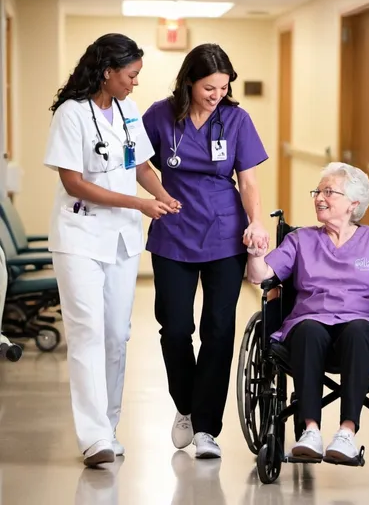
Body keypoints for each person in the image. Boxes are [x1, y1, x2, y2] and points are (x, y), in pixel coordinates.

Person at [44, 33, 181, 467]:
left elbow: (140, 166)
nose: (135, 83)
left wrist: (168, 198)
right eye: (131, 75)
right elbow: (74, 182)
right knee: (87, 332)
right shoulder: (71, 114)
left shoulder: (127, 110)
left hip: (120, 238)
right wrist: (141, 204)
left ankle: (110, 425)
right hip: (80, 237)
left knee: (117, 335)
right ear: (107, 72)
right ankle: (93, 437)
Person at [247, 162, 369, 463]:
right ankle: (311, 432)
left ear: (353, 204)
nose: (319, 197)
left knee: (357, 331)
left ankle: (346, 433)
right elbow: (261, 276)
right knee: (308, 330)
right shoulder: (300, 240)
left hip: (365, 321)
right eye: (318, 191)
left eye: (329, 192)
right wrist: (255, 252)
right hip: (310, 318)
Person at [142, 43, 269, 459]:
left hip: (223, 233)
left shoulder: (236, 120)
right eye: (209, 87)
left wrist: (256, 221)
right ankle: (185, 406)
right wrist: (160, 193)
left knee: (218, 329)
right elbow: (140, 164)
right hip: (174, 233)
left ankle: (206, 429)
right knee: (175, 328)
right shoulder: (161, 115)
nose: (217, 95)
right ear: (188, 82)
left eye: (223, 87)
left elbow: (247, 182)